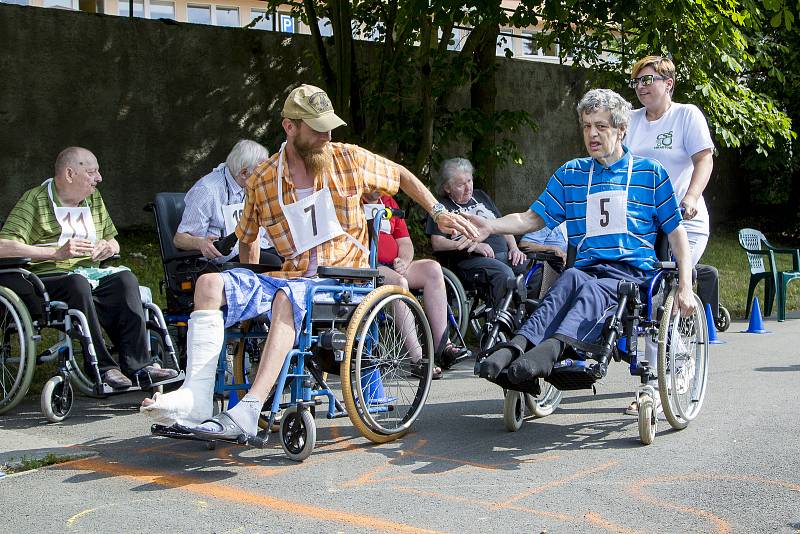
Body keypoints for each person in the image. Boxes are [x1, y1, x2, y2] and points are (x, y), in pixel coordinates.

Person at [140, 84, 477, 439]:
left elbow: (402, 176)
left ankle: (250, 409)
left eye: (330, 127)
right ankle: (196, 401)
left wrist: (438, 212)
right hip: (294, 274)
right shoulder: (263, 179)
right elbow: (249, 239)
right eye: (318, 128)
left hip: (345, 280)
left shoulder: (349, 159)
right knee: (210, 284)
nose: (327, 135)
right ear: (290, 127)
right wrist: (244, 282)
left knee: (289, 295)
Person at [467, 89, 694, 389]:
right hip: (585, 268)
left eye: (601, 126)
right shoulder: (570, 173)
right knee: (568, 281)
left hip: (631, 274)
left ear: (621, 130)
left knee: (595, 291)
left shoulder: (651, 174)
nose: (592, 134)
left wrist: (687, 286)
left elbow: (677, 234)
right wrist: (490, 226)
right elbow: (531, 218)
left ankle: (549, 353)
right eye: (587, 126)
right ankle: (516, 347)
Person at [0, 147, 178, 388]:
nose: (99, 178)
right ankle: (104, 368)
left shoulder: (93, 199)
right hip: (47, 278)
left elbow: (113, 240)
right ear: (70, 174)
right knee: (77, 284)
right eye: (92, 172)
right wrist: (55, 252)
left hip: (89, 273)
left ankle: (140, 366)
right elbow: (3, 246)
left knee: (125, 279)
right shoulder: (36, 200)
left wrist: (108, 247)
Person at [625, 55, 716, 414]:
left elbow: (704, 159)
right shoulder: (630, 121)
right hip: (644, 224)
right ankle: (648, 380)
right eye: (638, 81)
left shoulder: (686, 115)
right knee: (645, 298)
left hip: (684, 219)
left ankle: (675, 371)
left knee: (672, 292)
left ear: (669, 83)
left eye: (649, 79)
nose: (643, 86)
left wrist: (690, 197)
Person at [363, 193, 468, 377]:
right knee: (399, 282)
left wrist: (403, 260)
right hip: (369, 265)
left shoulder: (387, 201)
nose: (377, 187)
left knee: (433, 269)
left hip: (394, 264)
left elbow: (405, 242)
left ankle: (442, 345)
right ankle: (417, 358)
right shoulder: (352, 200)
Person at [425, 158, 528, 310]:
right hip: (469, 261)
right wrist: (475, 245)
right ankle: (498, 324)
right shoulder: (441, 207)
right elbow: (437, 242)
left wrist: (514, 247)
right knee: (503, 274)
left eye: (469, 181)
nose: (468, 188)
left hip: (504, 255)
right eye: (461, 185)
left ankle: (530, 320)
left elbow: (501, 224)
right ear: (447, 187)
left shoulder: (481, 196)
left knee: (534, 270)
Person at [175, 139, 281, 265]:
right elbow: (179, 239)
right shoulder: (207, 190)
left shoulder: (253, 185)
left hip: (256, 248)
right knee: (274, 262)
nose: (265, 176)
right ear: (243, 173)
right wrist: (200, 243)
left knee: (289, 259)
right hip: (224, 259)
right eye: (261, 172)